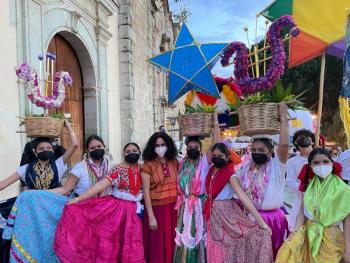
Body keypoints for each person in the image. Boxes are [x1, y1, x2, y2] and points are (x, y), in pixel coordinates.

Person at [54, 142, 144, 263]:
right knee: (111, 243)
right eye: (128, 151)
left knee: (132, 242)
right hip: (117, 211)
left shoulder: (143, 168)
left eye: (134, 151)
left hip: (134, 212)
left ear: (140, 152)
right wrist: (79, 199)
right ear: (123, 154)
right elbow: (101, 184)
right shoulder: (117, 168)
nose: (131, 153)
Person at [276, 148, 350, 263]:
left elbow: (347, 221)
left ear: (332, 163)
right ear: (310, 166)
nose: (321, 165)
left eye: (325, 162)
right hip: (308, 235)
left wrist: (348, 250)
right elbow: (302, 213)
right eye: (316, 162)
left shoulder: (344, 190)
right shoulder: (308, 187)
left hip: (331, 238)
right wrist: (294, 233)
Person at [235, 103, 289, 259]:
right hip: (249, 219)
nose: (257, 153)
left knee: (273, 256)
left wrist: (283, 119)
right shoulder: (246, 168)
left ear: (271, 151)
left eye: (261, 150)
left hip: (272, 220)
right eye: (254, 150)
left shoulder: (277, 166)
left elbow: (284, 144)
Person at [204, 142, 273, 263]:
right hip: (214, 216)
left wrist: (262, 223)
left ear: (227, 158)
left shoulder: (230, 175)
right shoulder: (211, 171)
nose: (216, 158)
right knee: (216, 246)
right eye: (214, 155)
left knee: (231, 246)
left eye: (220, 156)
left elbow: (243, 197)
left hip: (226, 216)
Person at [174, 114, 220, 263]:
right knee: (185, 235)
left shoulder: (205, 163)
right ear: (186, 149)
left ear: (200, 150)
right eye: (190, 147)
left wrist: (215, 123)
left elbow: (216, 144)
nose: (193, 149)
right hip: (185, 206)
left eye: (196, 147)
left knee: (200, 235)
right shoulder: (181, 164)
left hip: (200, 205)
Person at [0, 120, 77, 192]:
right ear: (35, 152)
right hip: (33, 204)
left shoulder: (58, 164)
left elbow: (75, 144)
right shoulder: (26, 168)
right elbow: (2, 185)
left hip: (53, 202)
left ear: (52, 151)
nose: (45, 150)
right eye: (41, 149)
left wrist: (68, 126)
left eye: (48, 148)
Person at [141, 132, 179, 263]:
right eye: (157, 145)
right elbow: (145, 192)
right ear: (152, 147)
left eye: (163, 144)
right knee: (157, 245)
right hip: (156, 211)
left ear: (168, 145)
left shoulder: (175, 162)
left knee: (172, 242)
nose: (160, 147)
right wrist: (151, 217)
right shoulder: (148, 165)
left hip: (173, 209)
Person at [286, 129, 315, 231]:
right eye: (300, 139)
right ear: (296, 143)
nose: (303, 141)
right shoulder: (292, 162)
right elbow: (290, 183)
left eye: (306, 138)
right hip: (301, 203)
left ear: (312, 141)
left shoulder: (322, 157)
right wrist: (306, 186)